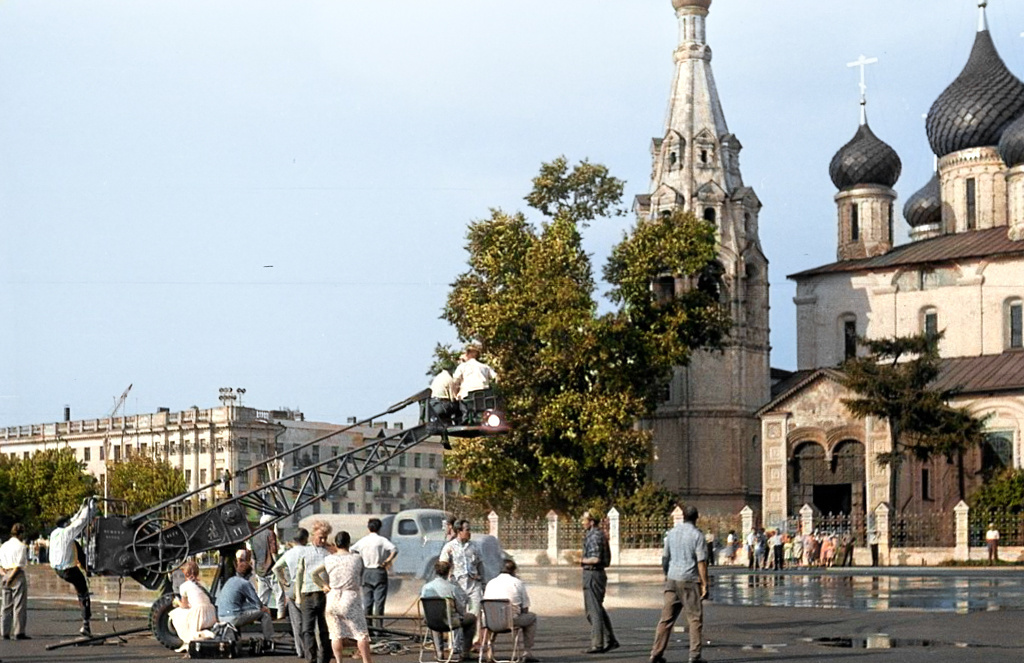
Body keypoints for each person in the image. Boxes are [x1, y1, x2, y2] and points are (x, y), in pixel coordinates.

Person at [649, 505, 708, 663]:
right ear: (696, 518)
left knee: (666, 619)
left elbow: (665, 557)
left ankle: (656, 653)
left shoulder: (671, 533)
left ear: (682, 516)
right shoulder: (697, 536)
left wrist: (667, 574)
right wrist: (705, 584)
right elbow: (701, 562)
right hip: (689, 579)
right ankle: (695, 655)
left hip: (672, 579)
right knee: (694, 619)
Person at [312, 531, 373, 663]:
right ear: (348, 543)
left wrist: (324, 586)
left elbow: (314, 574)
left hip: (333, 597)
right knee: (361, 634)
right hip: (350, 596)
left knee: (335, 634)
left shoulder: (328, 559)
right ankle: (367, 661)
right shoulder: (356, 558)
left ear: (335, 543)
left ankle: (339, 661)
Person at [50, 496, 96, 636]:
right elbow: (80, 522)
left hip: (57, 569)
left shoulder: (54, 533)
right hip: (68, 569)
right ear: (65, 524)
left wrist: (83, 506)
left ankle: (85, 567)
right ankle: (86, 624)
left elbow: (75, 519)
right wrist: (90, 506)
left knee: (76, 545)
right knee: (83, 593)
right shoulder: (66, 533)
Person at [439, 520, 484, 648]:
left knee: (475, 614)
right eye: (467, 530)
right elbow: (443, 564)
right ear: (459, 531)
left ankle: (473, 643)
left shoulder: (474, 546)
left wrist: (483, 580)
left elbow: (480, 563)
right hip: (457, 585)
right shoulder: (449, 547)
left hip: (473, 583)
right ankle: (454, 644)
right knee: (458, 615)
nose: (469, 532)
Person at [482, 560, 538, 663]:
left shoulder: (491, 582)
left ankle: (490, 652)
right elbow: (525, 608)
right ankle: (527, 652)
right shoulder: (517, 583)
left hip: (490, 621)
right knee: (532, 618)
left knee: (492, 618)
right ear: (514, 571)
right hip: (510, 620)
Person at [421, 559, 477, 661]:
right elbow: (460, 608)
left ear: (435, 571)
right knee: (471, 619)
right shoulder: (452, 588)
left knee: (434, 617)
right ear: (448, 572)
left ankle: (439, 652)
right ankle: (465, 652)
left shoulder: (426, 587)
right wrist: (462, 614)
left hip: (431, 621)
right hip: (449, 622)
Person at [350, 517, 397, 631]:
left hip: (366, 571)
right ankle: (379, 628)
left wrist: (360, 559)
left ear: (368, 527)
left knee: (367, 601)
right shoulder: (381, 540)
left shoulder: (363, 540)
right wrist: (387, 561)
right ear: (379, 528)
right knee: (379, 601)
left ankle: (368, 627)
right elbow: (394, 549)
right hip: (379, 570)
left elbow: (352, 550)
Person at [580, 511, 617, 654]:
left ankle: (597, 644)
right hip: (594, 574)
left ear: (592, 521)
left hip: (593, 574)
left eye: (584, 519)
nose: (582, 522)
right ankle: (611, 639)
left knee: (593, 612)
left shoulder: (595, 536)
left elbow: (595, 559)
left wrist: (581, 560)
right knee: (597, 609)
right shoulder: (596, 534)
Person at [296, 520, 333, 663]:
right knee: (307, 629)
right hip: (307, 594)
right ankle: (310, 659)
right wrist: (298, 596)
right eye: (320, 537)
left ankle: (324, 659)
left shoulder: (328, 553)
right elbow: (299, 574)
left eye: (325, 537)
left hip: (324, 594)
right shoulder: (305, 552)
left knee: (325, 629)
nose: (322, 540)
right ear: (313, 535)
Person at [216, 558, 276, 643]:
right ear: (248, 574)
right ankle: (269, 639)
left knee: (239, 610)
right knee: (265, 614)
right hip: (234, 617)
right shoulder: (245, 583)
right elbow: (257, 603)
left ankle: (238, 638)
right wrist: (265, 608)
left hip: (221, 616)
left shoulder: (230, 580)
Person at [273, 528, 310, 659]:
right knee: (310, 621)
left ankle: (300, 651)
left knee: (297, 623)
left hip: (292, 588)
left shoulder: (289, 553)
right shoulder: (309, 551)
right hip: (307, 587)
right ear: (306, 539)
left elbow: (276, 567)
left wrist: (283, 581)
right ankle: (311, 649)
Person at [168, 559, 217, 652]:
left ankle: (188, 638)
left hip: (199, 613)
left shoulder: (184, 586)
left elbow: (184, 605)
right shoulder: (203, 584)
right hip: (211, 612)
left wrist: (176, 601)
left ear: (185, 573)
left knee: (176, 614)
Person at [451, 346, 498, 423]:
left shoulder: (462, 367)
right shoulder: (484, 367)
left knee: (461, 399)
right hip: (485, 396)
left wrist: (455, 393)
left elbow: (455, 381)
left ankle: (465, 419)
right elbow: (496, 377)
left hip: (468, 397)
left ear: (467, 354)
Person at [1, 523, 29, 640]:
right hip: (16, 575)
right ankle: (19, 631)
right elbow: (19, 565)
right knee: (19, 604)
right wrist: (12, 577)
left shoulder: (4, 546)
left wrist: (5, 576)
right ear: (21, 533)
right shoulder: (21, 546)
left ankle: (4, 631)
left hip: (5, 573)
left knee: (6, 605)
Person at [249, 514, 281, 615]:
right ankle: (281, 615)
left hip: (260, 569)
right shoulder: (270, 533)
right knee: (279, 594)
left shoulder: (254, 535)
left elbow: (253, 555)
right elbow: (273, 552)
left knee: (262, 596)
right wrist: (278, 567)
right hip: (271, 569)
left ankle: (259, 615)